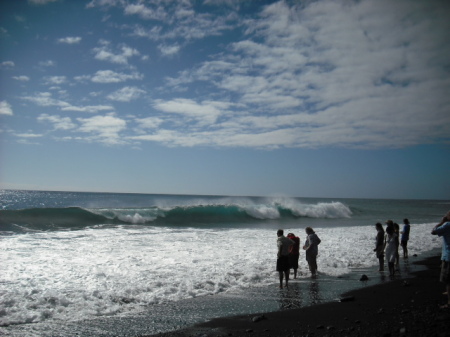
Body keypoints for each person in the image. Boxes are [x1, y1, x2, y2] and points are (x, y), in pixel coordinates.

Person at [431, 211, 450, 309]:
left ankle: (449, 303)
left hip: (448, 256)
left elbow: (433, 231)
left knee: (448, 280)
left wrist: (442, 221)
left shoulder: (447, 225)